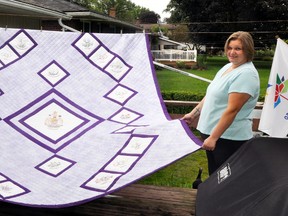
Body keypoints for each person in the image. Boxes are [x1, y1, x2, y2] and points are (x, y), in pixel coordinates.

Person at [182, 31, 260, 175]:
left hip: (227, 138)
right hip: (213, 133)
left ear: (248, 50)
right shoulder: (228, 67)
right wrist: (193, 114)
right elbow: (211, 95)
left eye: (238, 48)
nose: (232, 52)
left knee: (226, 180)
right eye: (229, 48)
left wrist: (213, 137)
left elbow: (232, 110)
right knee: (215, 176)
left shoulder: (246, 74)